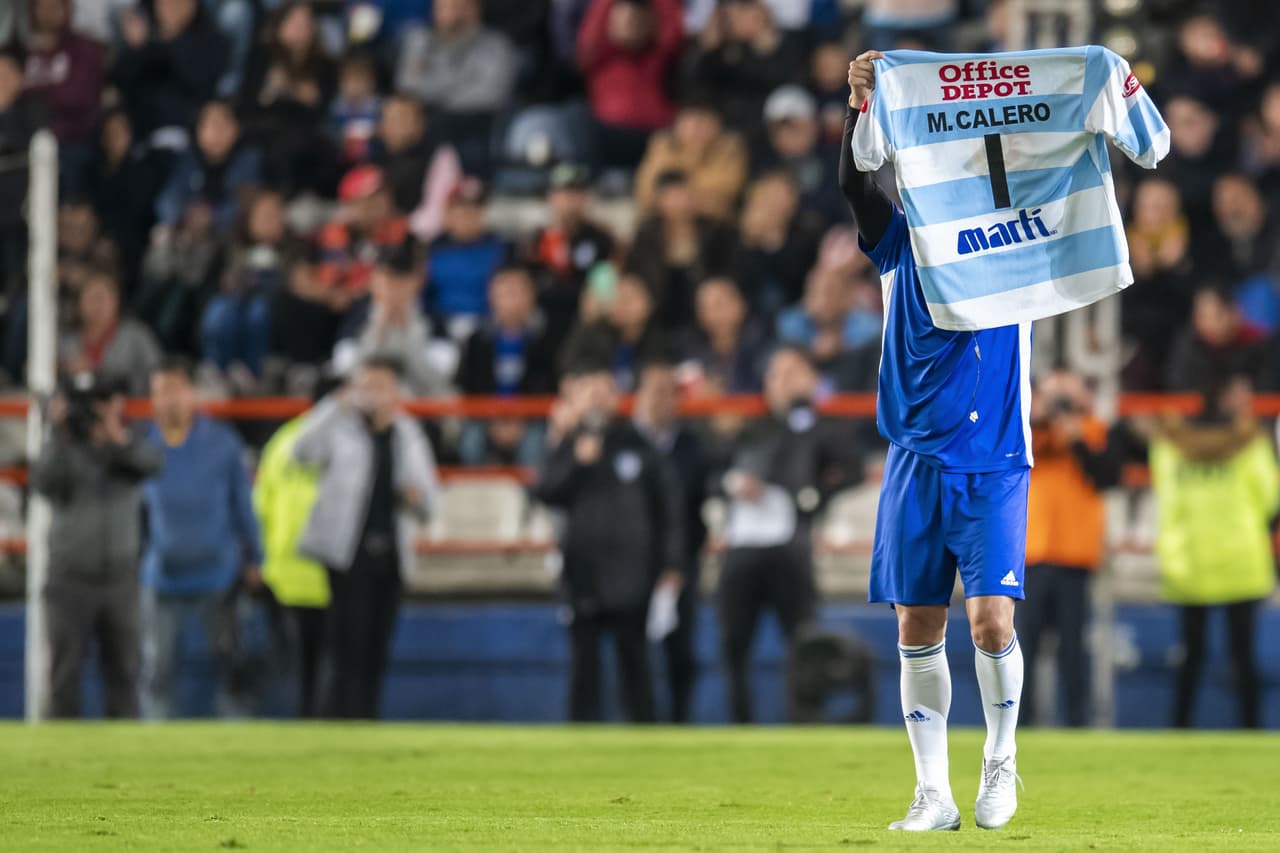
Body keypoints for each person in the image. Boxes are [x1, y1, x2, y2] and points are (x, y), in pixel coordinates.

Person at [845, 51, 1031, 830]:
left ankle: (1000, 761)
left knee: (991, 621)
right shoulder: (902, 246)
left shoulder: (1023, 250)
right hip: (916, 458)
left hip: (992, 464)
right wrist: (861, 108)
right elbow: (856, 186)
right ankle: (934, 791)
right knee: (916, 625)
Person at [715, 346, 860, 724]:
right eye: (774, 374)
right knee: (734, 642)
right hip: (743, 545)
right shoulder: (750, 428)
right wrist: (733, 484)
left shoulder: (822, 427)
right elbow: (714, 472)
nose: (781, 382)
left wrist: (808, 501)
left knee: (801, 641)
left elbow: (851, 470)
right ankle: (739, 723)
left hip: (790, 546)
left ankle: (804, 720)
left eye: (791, 372)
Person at [533, 358, 683, 723]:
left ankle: (645, 735)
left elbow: (669, 510)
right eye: (591, 393)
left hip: (633, 575)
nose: (599, 401)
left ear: (618, 398)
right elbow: (546, 493)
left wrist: (672, 564)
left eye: (606, 392)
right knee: (584, 662)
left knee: (635, 660)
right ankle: (581, 734)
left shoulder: (638, 445)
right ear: (577, 399)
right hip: (582, 572)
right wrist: (577, 463)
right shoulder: (566, 444)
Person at [294, 355, 440, 719]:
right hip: (348, 554)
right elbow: (300, 451)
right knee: (347, 647)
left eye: (382, 386)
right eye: (367, 385)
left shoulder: (406, 434)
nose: (374, 395)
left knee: (377, 649)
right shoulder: (341, 427)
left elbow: (430, 497)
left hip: (389, 555)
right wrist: (333, 406)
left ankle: (368, 721)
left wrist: (415, 497)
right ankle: (340, 721)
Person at [31, 373, 163, 718]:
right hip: (69, 577)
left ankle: (125, 761)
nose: (96, 412)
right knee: (64, 675)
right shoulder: (63, 445)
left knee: (124, 674)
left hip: (119, 578)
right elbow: (42, 482)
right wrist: (59, 433)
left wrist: (117, 437)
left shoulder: (129, 441)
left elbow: (152, 464)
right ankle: (58, 763)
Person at [1151, 376, 1277, 729]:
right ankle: (1251, 730)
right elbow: (1270, 498)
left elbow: (1165, 495)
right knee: (1244, 656)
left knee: (1190, 655)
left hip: (1188, 562)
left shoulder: (1168, 446)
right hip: (1242, 560)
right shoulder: (1253, 445)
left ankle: (1179, 729)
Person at [141, 357, 263, 719]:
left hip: (218, 575)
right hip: (162, 575)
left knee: (231, 669)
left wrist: (256, 557)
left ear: (191, 394)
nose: (169, 400)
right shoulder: (142, 448)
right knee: (157, 671)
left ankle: (239, 749)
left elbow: (243, 503)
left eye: (175, 391)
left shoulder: (221, 443)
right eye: (161, 393)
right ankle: (152, 745)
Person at [1018, 369, 1122, 727]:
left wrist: (1076, 437)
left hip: (1074, 558)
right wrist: (1040, 414)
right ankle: (1019, 723)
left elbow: (1108, 475)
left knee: (1072, 649)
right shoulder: (1027, 432)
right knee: (1023, 648)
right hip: (1031, 555)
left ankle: (1077, 722)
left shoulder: (1094, 432)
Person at [253, 378, 341, 718]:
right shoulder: (345, 443)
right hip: (316, 572)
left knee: (302, 667)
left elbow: (261, 504)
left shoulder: (283, 442)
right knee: (319, 666)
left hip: (291, 570)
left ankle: (306, 725)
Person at [632, 360, 709, 724]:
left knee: (681, 649)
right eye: (654, 392)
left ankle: (681, 721)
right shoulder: (625, 444)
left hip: (682, 559)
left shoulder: (693, 446)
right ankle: (639, 721)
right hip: (631, 562)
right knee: (632, 648)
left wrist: (678, 563)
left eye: (668, 393)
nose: (661, 401)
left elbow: (693, 504)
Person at [457, 264, 557, 465]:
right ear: (492, 296)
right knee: (471, 443)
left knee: (535, 446)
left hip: (531, 417)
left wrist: (521, 417)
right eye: (506, 292)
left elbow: (548, 383)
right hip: (485, 416)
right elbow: (470, 383)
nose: (512, 300)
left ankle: (531, 497)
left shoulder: (546, 339)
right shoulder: (476, 341)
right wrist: (493, 419)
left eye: (518, 292)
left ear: (531, 296)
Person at [332, 240, 453, 398]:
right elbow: (344, 371)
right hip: (367, 403)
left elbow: (438, 379)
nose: (393, 288)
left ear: (416, 282)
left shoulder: (433, 317)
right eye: (387, 279)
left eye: (401, 281)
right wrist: (377, 330)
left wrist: (409, 331)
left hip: (419, 404)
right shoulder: (358, 316)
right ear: (373, 281)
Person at [576, 0, 683, 170]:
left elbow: (674, 30)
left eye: (636, 20)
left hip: (655, 136)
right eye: (623, 19)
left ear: (651, 22)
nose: (629, 24)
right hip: (609, 135)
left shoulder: (660, 54)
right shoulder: (600, 56)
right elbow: (589, 38)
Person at [111, 0, 229, 140]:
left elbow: (199, 83)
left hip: (186, 136)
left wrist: (173, 35)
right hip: (140, 135)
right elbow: (120, 81)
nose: (173, 7)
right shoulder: (143, 39)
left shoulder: (214, 40)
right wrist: (135, 49)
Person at [527, 163, 616, 343]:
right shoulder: (537, 239)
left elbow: (606, 280)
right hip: (543, 319)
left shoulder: (600, 239)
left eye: (576, 194)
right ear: (550, 198)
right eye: (562, 194)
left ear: (585, 198)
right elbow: (532, 280)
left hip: (585, 320)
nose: (569, 201)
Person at [22, 0, 105, 192]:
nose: (48, 12)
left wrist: (32, 91)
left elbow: (78, 97)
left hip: (72, 141)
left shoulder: (85, 47)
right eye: (42, 6)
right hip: (26, 142)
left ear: (67, 9)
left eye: (54, 6)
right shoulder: (25, 51)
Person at [154, 99, 262, 235]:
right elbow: (166, 202)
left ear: (237, 129)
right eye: (211, 123)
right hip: (188, 235)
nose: (218, 131)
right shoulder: (186, 158)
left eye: (225, 123)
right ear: (198, 130)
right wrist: (187, 213)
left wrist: (211, 216)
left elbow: (247, 207)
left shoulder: (248, 159)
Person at [633, 98, 747, 222]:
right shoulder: (662, 147)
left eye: (703, 122)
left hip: (713, 224)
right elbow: (647, 193)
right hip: (662, 225)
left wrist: (675, 192)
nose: (695, 130)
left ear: (718, 124)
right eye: (689, 122)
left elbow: (728, 187)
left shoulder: (730, 147)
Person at [59, 266, 162, 397]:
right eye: (92, 297)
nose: (97, 305)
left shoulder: (137, 337)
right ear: (80, 302)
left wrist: (102, 375)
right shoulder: (67, 343)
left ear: (115, 301)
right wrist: (66, 369)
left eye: (102, 297)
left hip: (131, 411)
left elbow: (157, 376)